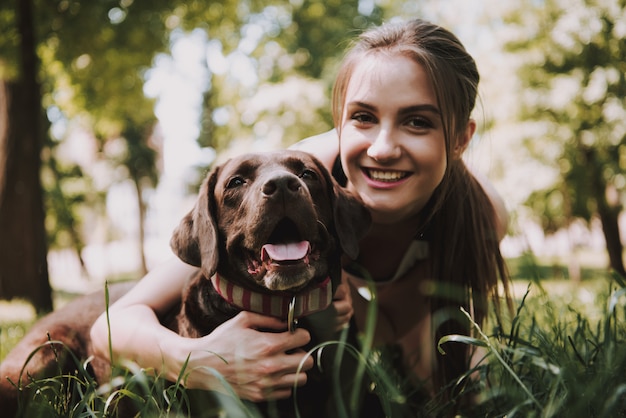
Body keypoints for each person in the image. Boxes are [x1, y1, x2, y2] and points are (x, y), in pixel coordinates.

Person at [90, 17, 511, 410]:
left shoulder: (479, 215)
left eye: (417, 122)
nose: (382, 148)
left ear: (460, 138)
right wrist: (201, 360)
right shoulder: (299, 182)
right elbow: (113, 325)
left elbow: (417, 350)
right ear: (339, 124)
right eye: (363, 117)